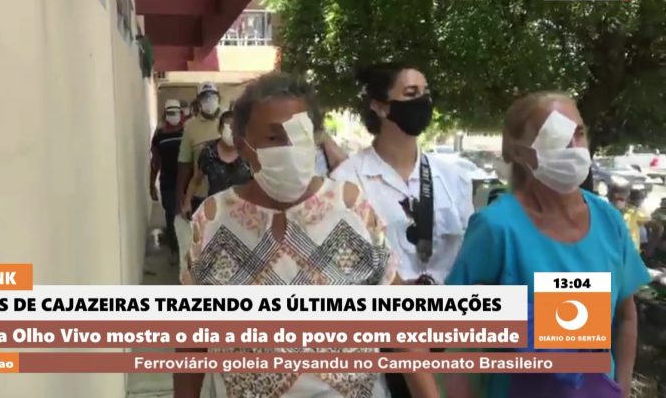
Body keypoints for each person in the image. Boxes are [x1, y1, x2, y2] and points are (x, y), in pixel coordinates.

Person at [177, 72, 438, 398]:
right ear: (243, 146)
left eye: (299, 134)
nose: (290, 148)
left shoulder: (351, 207)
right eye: (274, 137)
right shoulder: (213, 220)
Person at [445, 92, 651, 398]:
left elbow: (625, 316)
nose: (573, 147)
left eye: (578, 133)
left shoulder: (609, 220)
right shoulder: (496, 228)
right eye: (557, 136)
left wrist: (619, 388)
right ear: (520, 152)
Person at [332, 62, 474, 285]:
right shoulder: (346, 181)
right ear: (379, 106)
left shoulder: (454, 178)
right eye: (411, 93)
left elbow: (471, 254)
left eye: (426, 93)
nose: (423, 101)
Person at [181, 110, 252, 217]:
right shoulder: (208, 152)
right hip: (217, 213)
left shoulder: (249, 151)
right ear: (220, 129)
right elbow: (196, 179)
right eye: (228, 127)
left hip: (244, 213)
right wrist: (187, 202)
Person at [177, 82, 222, 216]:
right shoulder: (190, 126)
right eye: (204, 97)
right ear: (198, 101)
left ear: (219, 98)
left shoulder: (228, 121)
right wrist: (181, 193)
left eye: (212, 96)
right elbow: (184, 162)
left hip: (226, 195)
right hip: (200, 195)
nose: (209, 100)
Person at [150, 99, 184, 263]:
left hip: (186, 180)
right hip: (168, 181)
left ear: (181, 113)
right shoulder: (160, 135)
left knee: (188, 216)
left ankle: (189, 250)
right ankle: (174, 250)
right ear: (165, 114)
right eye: (170, 113)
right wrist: (151, 184)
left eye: (175, 112)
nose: (173, 116)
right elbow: (155, 160)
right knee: (171, 215)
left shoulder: (187, 131)